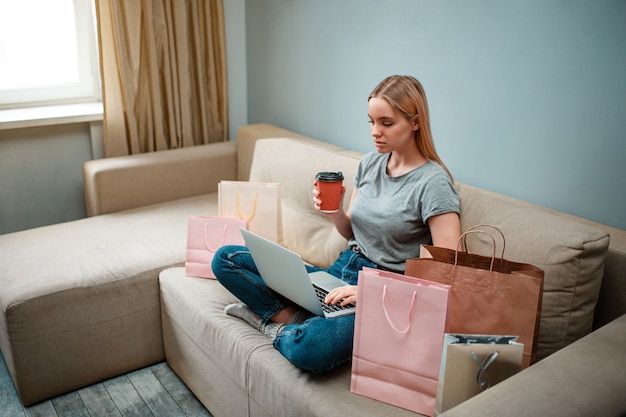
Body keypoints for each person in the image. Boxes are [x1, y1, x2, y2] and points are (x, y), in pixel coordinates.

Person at [212, 74, 461, 373]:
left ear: (416, 122)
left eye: (386, 122)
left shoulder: (433, 183)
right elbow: (351, 232)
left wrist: (369, 291)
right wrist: (335, 212)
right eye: (370, 121)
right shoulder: (370, 163)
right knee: (225, 259)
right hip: (340, 270)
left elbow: (448, 273)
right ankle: (297, 318)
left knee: (310, 349)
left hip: (384, 291)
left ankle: (273, 324)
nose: (375, 132)